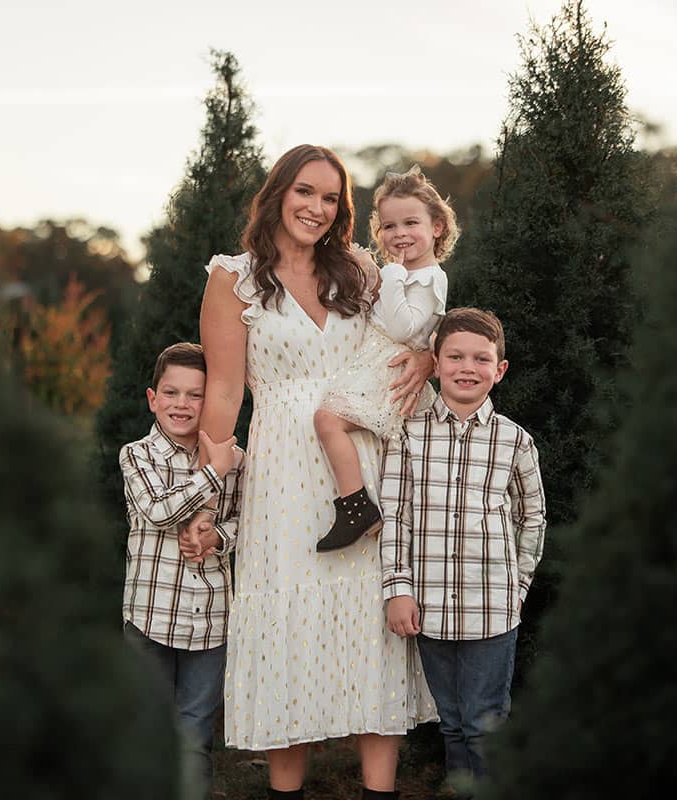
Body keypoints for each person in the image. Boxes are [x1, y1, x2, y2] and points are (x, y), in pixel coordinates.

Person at [195, 144, 437, 800]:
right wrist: (205, 499)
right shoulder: (234, 279)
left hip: (361, 463)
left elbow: (414, 327)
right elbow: (223, 396)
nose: (316, 208)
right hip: (280, 474)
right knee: (287, 628)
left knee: (369, 618)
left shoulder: (360, 269)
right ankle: (287, 791)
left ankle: (379, 789)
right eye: (305, 192)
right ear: (278, 194)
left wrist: (429, 358)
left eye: (331, 199)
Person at [378, 308, 547, 799]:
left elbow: (531, 518)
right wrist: (398, 590)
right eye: (455, 357)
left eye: (480, 358)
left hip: (491, 613)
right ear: (436, 362)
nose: (466, 367)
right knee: (451, 724)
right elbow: (397, 517)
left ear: (500, 369)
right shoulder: (408, 435)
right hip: (427, 611)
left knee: (484, 726)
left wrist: (516, 590)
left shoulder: (514, 441)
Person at [119, 342, 244, 800]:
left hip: (210, 622)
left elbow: (247, 522)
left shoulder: (238, 462)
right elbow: (158, 510)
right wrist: (213, 473)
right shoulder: (137, 456)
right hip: (150, 618)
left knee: (194, 737)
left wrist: (218, 537)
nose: (182, 404)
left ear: (211, 401)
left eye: (196, 395)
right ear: (153, 398)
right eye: (172, 393)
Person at [313, 165, 459, 552]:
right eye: (390, 226)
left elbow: (404, 329)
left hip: (390, 367)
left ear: (437, 227)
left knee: (327, 420)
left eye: (411, 222)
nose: (400, 234)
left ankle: (356, 506)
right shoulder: (405, 273)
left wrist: (390, 276)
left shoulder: (429, 278)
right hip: (376, 361)